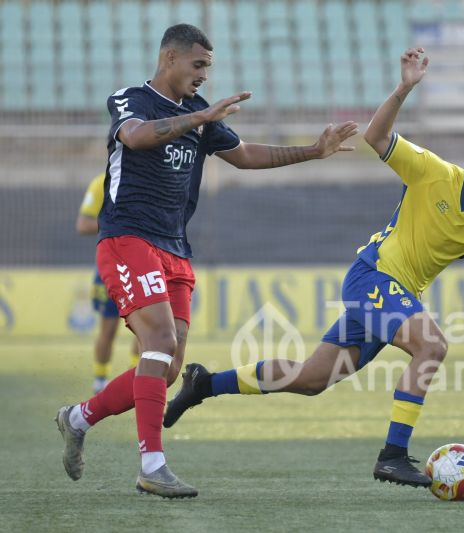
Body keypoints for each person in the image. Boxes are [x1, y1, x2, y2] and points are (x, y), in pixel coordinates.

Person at [163, 48, 464, 488]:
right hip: (373, 278)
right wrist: (404, 88)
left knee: (313, 379)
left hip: (391, 293)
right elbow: (377, 137)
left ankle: (207, 383)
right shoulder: (434, 173)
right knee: (433, 344)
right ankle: (393, 455)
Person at [55, 23, 358, 498]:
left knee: (168, 365)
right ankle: (152, 465)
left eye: (208, 68)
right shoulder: (130, 99)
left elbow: (245, 155)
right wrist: (199, 120)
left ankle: (77, 418)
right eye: (198, 66)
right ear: (169, 58)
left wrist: (313, 151)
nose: (203, 77)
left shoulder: (201, 111)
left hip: (175, 247)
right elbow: (135, 138)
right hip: (127, 237)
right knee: (156, 340)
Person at [77, 173, 140, 393]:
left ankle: (138, 378)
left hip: (141, 266)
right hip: (110, 268)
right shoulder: (100, 183)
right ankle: (100, 380)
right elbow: (83, 224)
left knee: (146, 329)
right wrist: (115, 223)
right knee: (109, 328)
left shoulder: (147, 178)